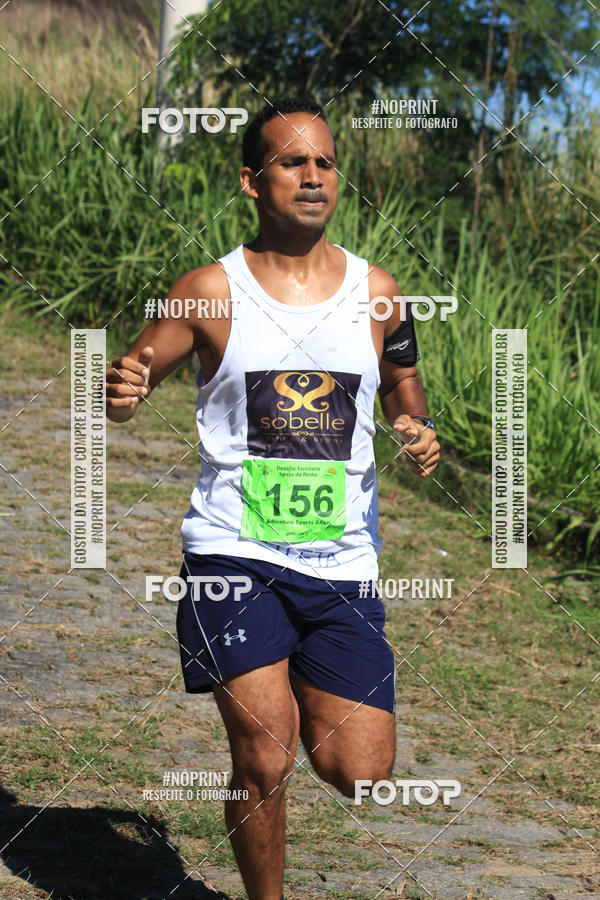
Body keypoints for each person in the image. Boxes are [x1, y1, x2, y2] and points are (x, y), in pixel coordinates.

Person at [105, 97, 440, 900]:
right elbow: (125, 378)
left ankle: (281, 662)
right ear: (253, 181)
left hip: (343, 561)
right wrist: (115, 391)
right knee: (264, 751)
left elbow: (402, 384)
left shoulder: (379, 292)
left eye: (324, 162)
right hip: (235, 553)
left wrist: (416, 426)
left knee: (360, 770)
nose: (313, 177)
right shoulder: (207, 292)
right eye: (293, 163)